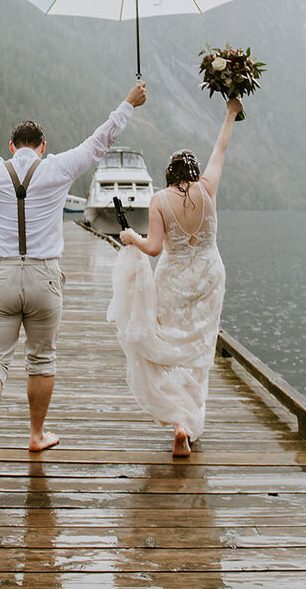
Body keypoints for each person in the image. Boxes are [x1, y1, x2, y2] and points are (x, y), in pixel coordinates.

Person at [0, 80, 148, 480]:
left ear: (12, 147)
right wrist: (128, 104)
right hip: (45, 277)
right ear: (42, 146)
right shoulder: (58, 168)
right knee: (42, 358)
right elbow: (99, 142)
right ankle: (35, 434)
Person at [109, 96, 241, 457]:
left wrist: (130, 237)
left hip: (174, 278)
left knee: (169, 348)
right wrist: (230, 113)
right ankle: (187, 421)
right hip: (210, 277)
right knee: (198, 350)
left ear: (169, 174)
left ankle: (178, 421)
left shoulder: (158, 200)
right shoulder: (207, 188)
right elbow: (221, 147)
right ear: (194, 173)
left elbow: (153, 248)